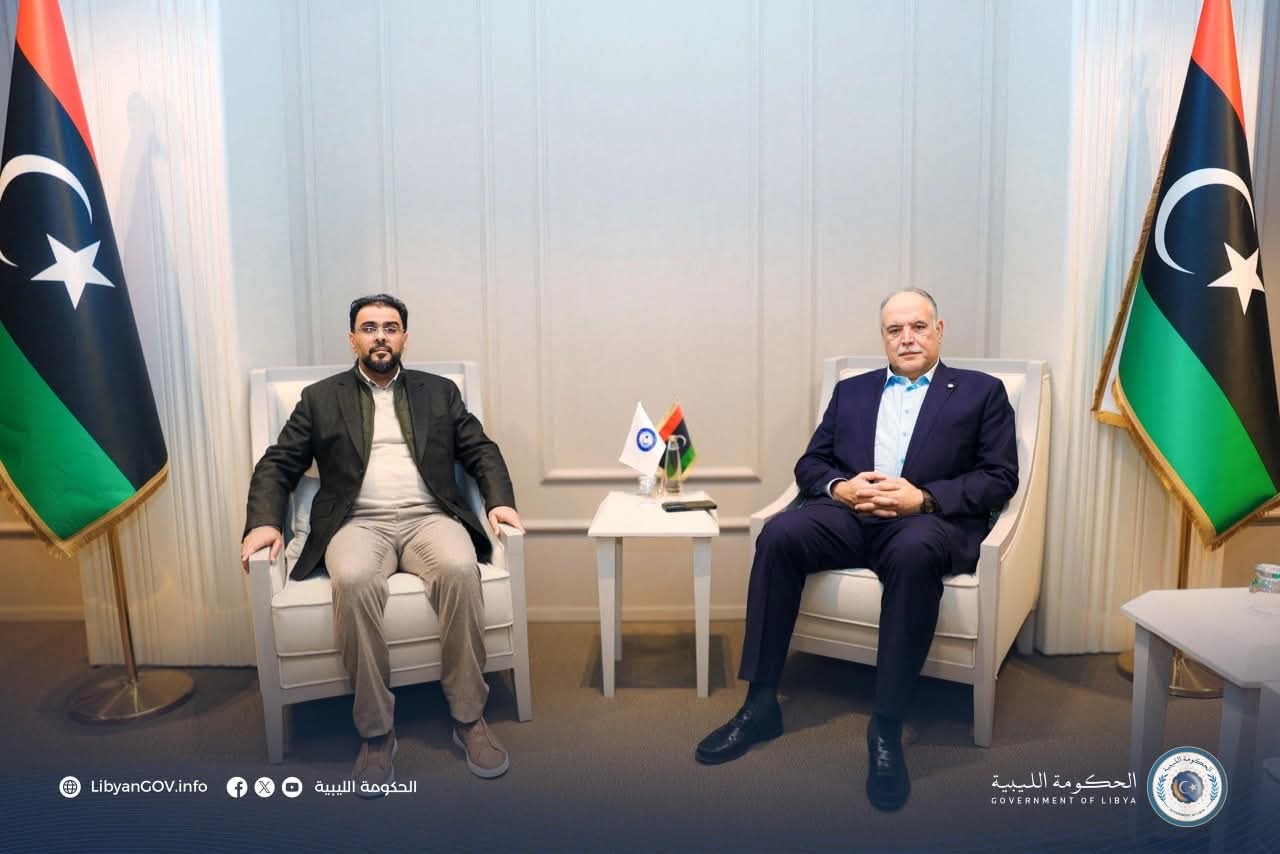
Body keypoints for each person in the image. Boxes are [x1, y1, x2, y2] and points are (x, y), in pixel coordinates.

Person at [695, 288, 1018, 812]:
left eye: (918, 327)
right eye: (895, 330)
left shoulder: (982, 392)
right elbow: (811, 464)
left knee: (913, 555)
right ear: (883, 337)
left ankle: (886, 726)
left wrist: (924, 497)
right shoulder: (852, 391)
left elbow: (999, 477)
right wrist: (840, 488)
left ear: (939, 331)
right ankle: (760, 704)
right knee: (779, 534)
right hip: (850, 516)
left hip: (925, 522)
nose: (907, 338)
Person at [240, 294, 523, 794]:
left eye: (390, 328)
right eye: (369, 328)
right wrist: (263, 522)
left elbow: (480, 449)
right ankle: (376, 732)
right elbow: (278, 462)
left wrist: (499, 502)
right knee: (352, 580)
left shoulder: (439, 393)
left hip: (429, 518)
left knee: (461, 570)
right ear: (353, 339)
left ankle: (468, 717)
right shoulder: (320, 398)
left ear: (404, 338)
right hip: (357, 524)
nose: (380, 337)